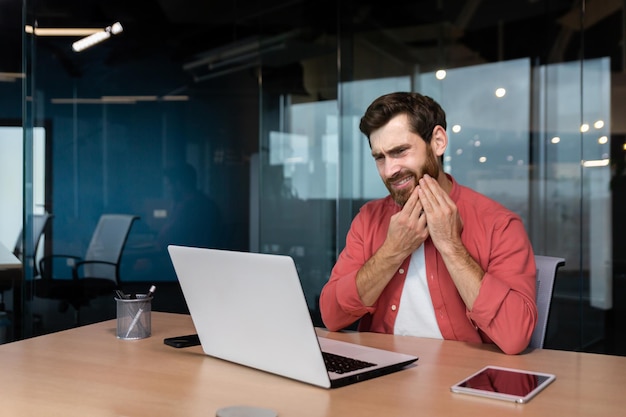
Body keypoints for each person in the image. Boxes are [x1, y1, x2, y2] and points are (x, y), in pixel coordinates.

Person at [319, 92, 537, 355]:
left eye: (400, 151)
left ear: (438, 141)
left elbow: (515, 337)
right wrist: (393, 251)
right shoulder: (368, 218)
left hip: (462, 380)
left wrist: (450, 245)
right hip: (381, 377)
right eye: (380, 157)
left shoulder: (499, 224)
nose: (389, 170)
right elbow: (331, 316)